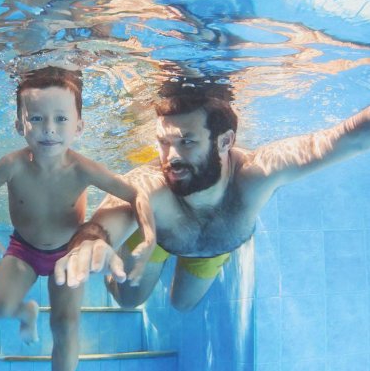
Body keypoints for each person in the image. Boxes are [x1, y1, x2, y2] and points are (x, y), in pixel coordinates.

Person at [0, 66, 153, 371]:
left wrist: (147, 234)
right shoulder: (12, 165)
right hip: (24, 249)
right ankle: (25, 311)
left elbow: (135, 193)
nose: (49, 128)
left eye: (61, 119)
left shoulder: (83, 168)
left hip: (69, 253)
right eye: (37, 118)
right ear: (20, 124)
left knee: (66, 326)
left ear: (78, 126)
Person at [54, 93, 370, 311]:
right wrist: (90, 242)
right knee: (128, 301)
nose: (172, 157)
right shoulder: (151, 186)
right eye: (164, 143)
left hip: (216, 246)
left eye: (187, 141)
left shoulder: (256, 174)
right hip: (157, 236)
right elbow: (103, 222)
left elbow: (344, 139)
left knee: (182, 304)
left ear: (225, 141)